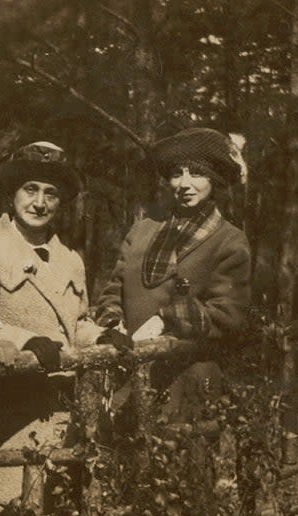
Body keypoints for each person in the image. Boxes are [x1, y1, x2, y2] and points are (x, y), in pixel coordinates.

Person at [0, 141, 124, 516]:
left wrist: (99, 336)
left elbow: (74, 322)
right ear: (12, 194)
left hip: (65, 413)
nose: (40, 203)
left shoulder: (71, 260)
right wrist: (14, 338)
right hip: (8, 415)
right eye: (30, 189)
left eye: (51, 193)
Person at [92, 127, 251, 421]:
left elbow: (228, 313)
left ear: (214, 179)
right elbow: (113, 289)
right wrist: (113, 325)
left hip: (189, 382)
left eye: (197, 174)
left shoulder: (229, 241)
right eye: (178, 173)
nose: (185, 184)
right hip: (128, 377)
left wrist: (164, 318)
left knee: (179, 461)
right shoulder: (143, 230)